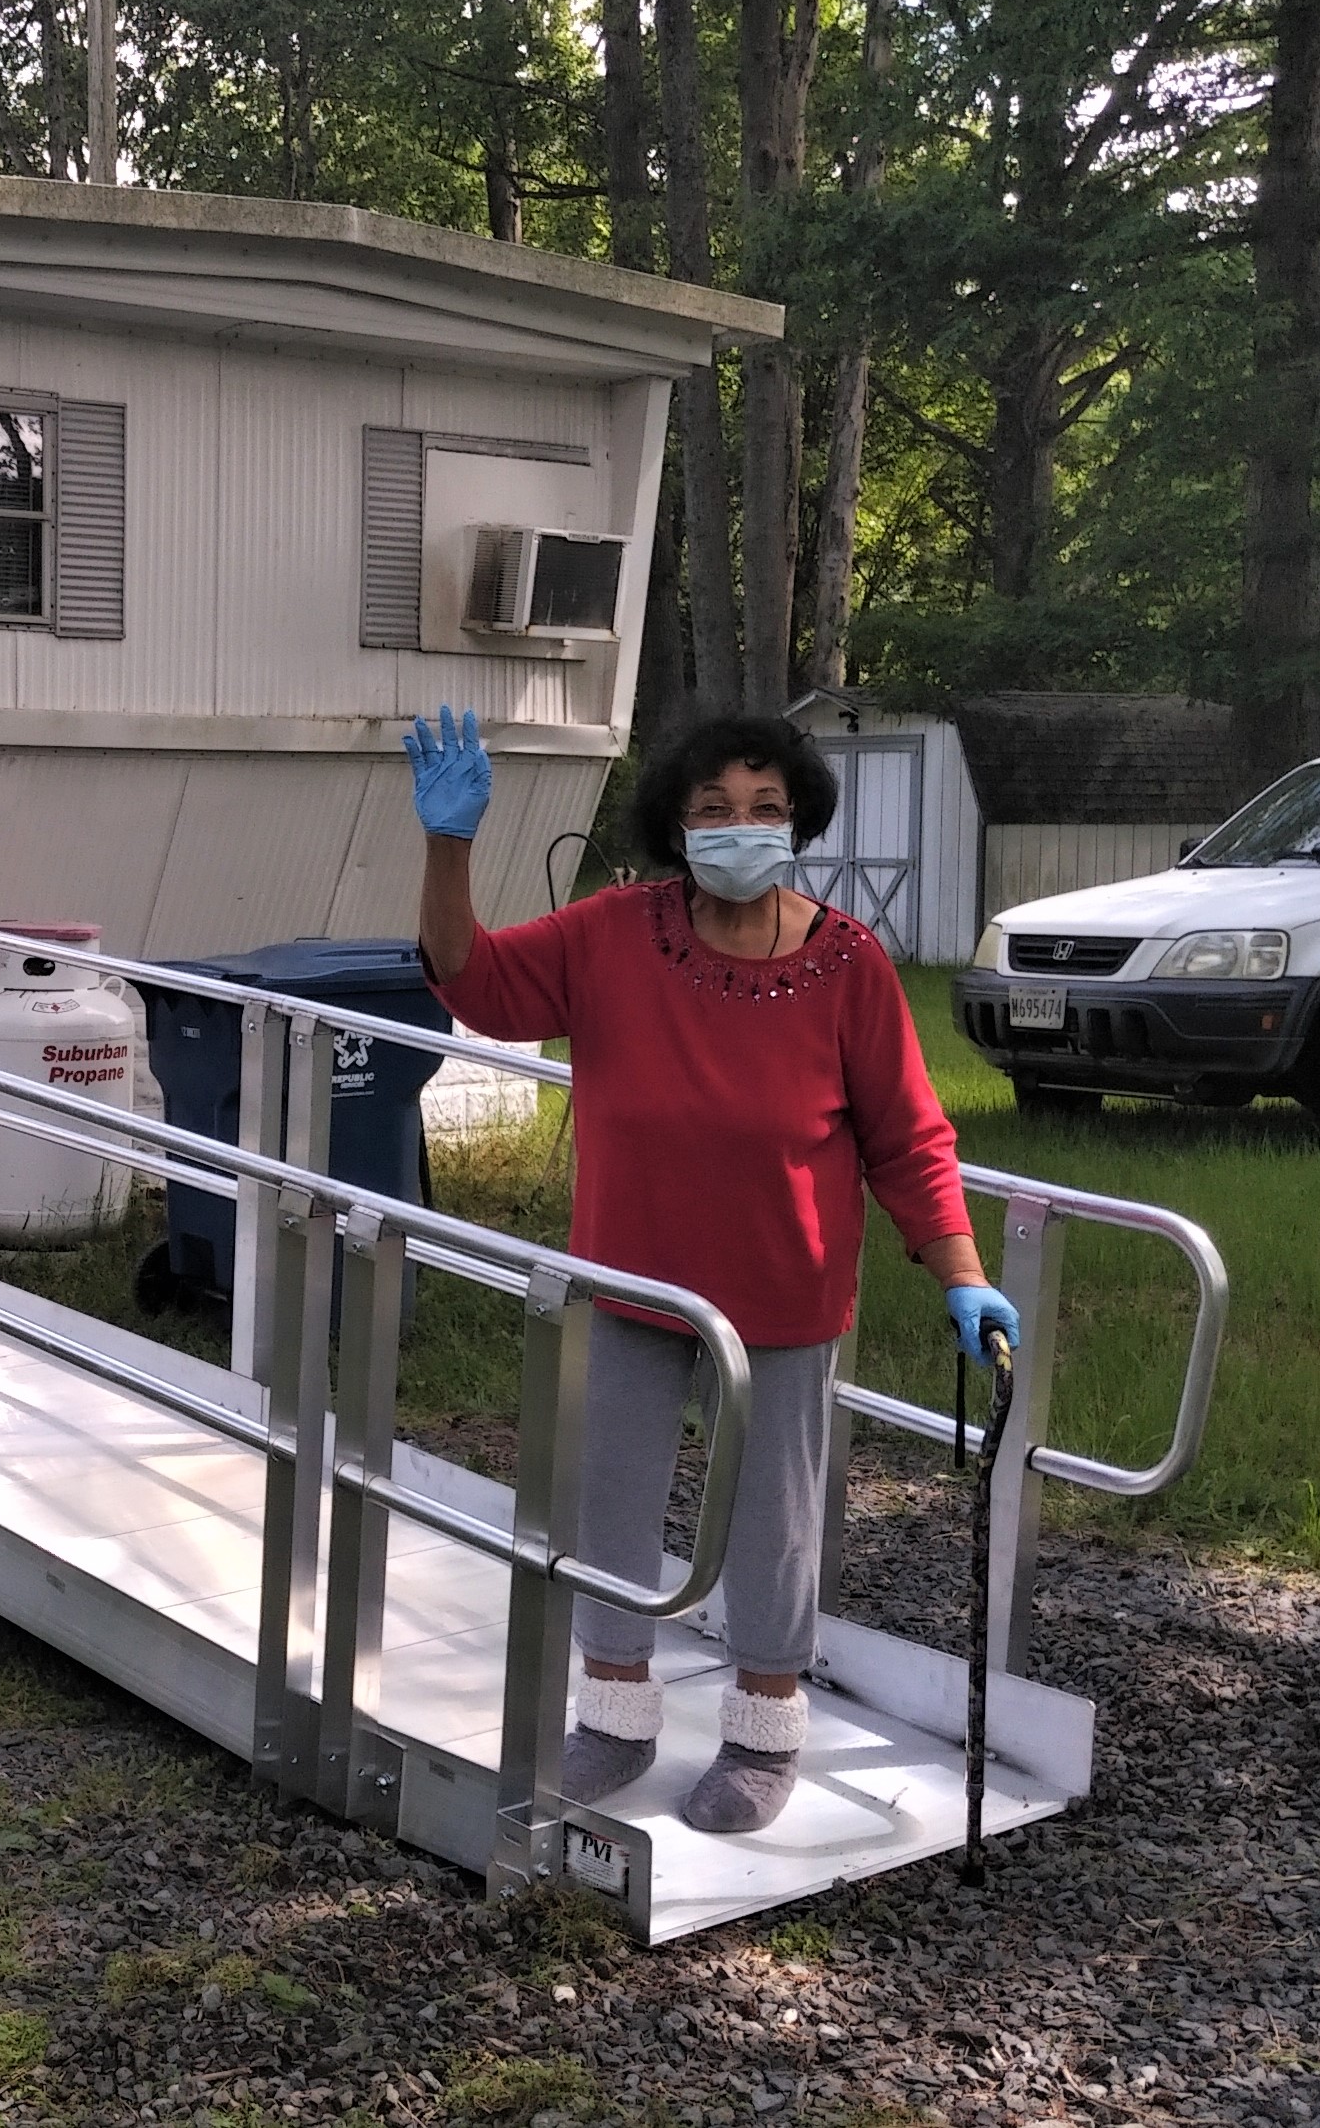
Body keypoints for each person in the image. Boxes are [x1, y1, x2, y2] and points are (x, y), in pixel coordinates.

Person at [401, 705, 1019, 1834]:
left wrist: (960, 1272)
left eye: (766, 810)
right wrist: (450, 845)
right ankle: (616, 1719)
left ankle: (763, 1730)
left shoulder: (849, 964)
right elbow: (474, 985)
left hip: (783, 1299)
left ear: (799, 823)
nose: (743, 829)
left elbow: (909, 1137)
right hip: (638, 1285)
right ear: (676, 828)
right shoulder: (611, 933)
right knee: (613, 1505)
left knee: (772, 1523)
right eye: (715, 810)